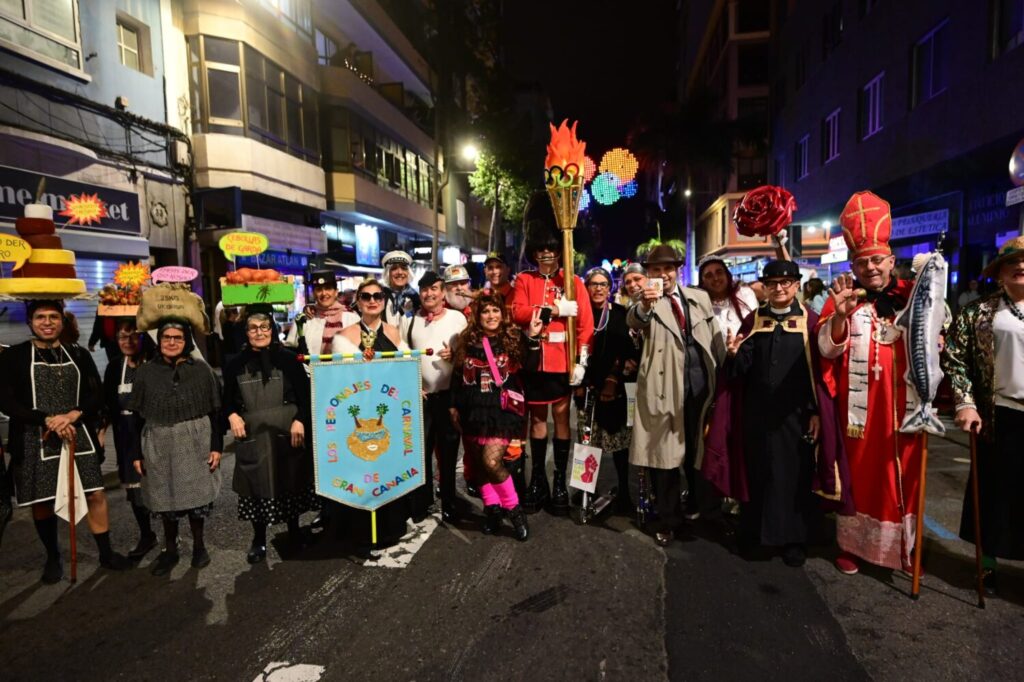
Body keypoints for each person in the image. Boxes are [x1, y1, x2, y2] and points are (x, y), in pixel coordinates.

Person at [705, 260, 850, 567]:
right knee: (758, 474)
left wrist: (815, 412)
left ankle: (793, 540)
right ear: (765, 287)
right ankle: (756, 534)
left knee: (794, 477)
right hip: (756, 416)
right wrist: (733, 354)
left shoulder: (811, 322)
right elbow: (739, 373)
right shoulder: (754, 320)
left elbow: (822, 374)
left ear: (797, 285)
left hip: (795, 417)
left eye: (786, 283)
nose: (779, 288)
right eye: (772, 283)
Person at [815, 190, 922, 576]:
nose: (871, 268)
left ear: (891, 260)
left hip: (904, 404)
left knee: (903, 475)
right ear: (854, 266)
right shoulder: (844, 299)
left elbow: (935, 342)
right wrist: (840, 318)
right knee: (860, 475)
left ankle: (904, 552)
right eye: (863, 262)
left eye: (877, 260)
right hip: (859, 409)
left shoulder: (915, 298)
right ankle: (853, 548)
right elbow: (825, 351)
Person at [0, 300, 130, 582]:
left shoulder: (79, 354)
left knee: (95, 493)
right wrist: (46, 419)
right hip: (37, 438)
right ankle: (52, 557)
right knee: (43, 500)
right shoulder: (15, 357)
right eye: (40, 317)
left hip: (78, 434)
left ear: (62, 321)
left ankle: (106, 553)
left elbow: (97, 395)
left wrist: (73, 414)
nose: (47, 322)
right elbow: (6, 401)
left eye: (53, 317)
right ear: (30, 322)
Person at [943, 236, 1024, 595]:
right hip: (1000, 415)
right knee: (994, 493)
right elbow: (955, 358)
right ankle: (987, 565)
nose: (1021, 268)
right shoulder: (979, 313)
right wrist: (965, 402)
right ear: (1000, 273)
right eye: (1013, 264)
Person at [628, 244, 724, 545]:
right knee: (664, 460)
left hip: (700, 388)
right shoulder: (646, 301)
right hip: (664, 390)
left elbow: (715, 339)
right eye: (655, 270)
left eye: (667, 269)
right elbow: (634, 319)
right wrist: (645, 304)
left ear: (677, 270)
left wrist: (725, 374)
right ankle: (668, 519)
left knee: (700, 454)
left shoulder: (699, 298)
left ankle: (703, 510)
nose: (662, 275)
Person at [510, 194, 594, 515]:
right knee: (536, 422)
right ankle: (538, 480)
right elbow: (517, 312)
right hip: (534, 362)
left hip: (561, 363)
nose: (545, 254)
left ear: (559, 250)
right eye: (540, 250)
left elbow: (585, 326)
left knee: (561, 418)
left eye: (551, 249)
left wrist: (581, 364)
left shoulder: (572, 281)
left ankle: (559, 480)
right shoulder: (526, 280)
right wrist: (553, 309)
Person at [224, 306, 318, 564]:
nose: (259, 332)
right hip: (254, 434)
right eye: (253, 328)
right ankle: (258, 539)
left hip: (288, 431)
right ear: (246, 332)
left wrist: (300, 420)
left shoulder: (289, 359)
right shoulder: (234, 363)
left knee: (291, 480)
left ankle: (294, 532)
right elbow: (225, 402)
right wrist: (231, 415)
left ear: (273, 330)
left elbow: (306, 394)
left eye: (264, 327)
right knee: (256, 485)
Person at [129, 319, 223, 576]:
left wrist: (217, 447)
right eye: (166, 337)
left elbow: (216, 412)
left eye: (177, 338)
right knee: (163, 497)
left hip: (194, 439)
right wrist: (136, 453)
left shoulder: (202, 371)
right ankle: (170, 550)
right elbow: (136, 417)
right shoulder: (146, 372)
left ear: (186, 342)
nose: (171, 342)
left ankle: (200, 547)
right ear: (159, 341)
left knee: (196, 497)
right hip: (157, 440)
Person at [450, 293, 542, 540]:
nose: (491, 316)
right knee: (480, 466)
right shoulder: (466, 341)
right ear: (477, 317)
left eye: (495, 311)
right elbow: (457, 376)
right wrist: (453, 406)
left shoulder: (512, 337)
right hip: (471, 410)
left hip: (501, 412)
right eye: (485, 312)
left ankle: (514, 512)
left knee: (492, 462)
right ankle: (492, 511)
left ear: (502, 314)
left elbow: (532, 366)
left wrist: (532, 338)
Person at [331, 278, 413, 547]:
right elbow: (341, 379)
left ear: (384, 300)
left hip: (387, 411)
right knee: (363, 465)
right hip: (359, 413)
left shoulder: (394, 332)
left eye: (378, 296)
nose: (373, 301)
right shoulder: (344, 337)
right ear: (358, 301)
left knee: (388, 466)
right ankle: (362, 527)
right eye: (366, 296)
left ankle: (391, 523)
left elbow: (407, 367)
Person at [400, 271, 467, 523]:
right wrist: (410, 386)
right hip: (420, 398)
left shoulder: (457, 318)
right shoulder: (409, 321)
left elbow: (469, 351)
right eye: (425, 289)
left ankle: (449, 500)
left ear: (443, 293)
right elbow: (402, 357)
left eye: (434, 289)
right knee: (421, 452)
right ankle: (422, 502)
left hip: (449, 397)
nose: (429, 294)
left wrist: (456, 354)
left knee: (448, 453)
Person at [576, 267, 637, 513]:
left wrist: (615, 377)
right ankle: (584, 490)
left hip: (615, 388)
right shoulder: (580, 315)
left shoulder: (621, 313)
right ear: (586, 287)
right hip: (587, 386)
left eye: (603, 284)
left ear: (610, 287)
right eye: (593, 284)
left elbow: (629, 351)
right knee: (587, 443)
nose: (598, 288)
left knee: (619, 444)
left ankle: (624, 491)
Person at [100, 319, 157, 560]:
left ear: (143, 337)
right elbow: (107, 405)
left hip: (153, 431)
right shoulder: (114, 368)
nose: (128, 341)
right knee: (135, 490)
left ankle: (170, 532)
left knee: (160, 485)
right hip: (125, 434)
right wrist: (101, 434)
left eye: (133, 336)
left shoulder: (155, 364)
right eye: (123, 337)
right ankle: (147, 534)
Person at [285, 270, 358, 356]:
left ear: (336, 292)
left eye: (328, 288)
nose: (324, 293)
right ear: (313, 293)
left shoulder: (352, 317)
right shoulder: (304, 319)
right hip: (311, 369)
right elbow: (290, 350)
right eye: (319, 289)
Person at [698, 256, 760, 339]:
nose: (716, 278)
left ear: (727, 275)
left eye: (719, 272)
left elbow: (757, 326)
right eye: (709, 275)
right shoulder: (699, 305)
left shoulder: (744, 294)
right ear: (703, 281)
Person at [381, 250, 420, 327]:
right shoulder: (379, 297)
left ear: (408, 272)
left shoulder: (417, 298)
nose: (399, 272)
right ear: (387, 273)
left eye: (403, 268)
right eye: (394, 268)